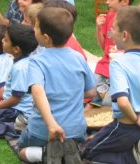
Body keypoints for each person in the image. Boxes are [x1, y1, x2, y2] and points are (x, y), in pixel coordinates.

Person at [82, 6, 140, 164]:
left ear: (124, 35)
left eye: (113, 28)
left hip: (127, 126)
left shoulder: (118, 63)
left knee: (88, 151)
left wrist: (137, 119)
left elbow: (122, 101)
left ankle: (132, 157)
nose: (110, 31)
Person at [17, 8, 96, 163]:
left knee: (21, 150)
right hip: (75, 130)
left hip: (44, 131)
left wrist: (52, 124)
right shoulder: (78, 57)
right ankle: (69, 151)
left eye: (36, 27)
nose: (34, 29)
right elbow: (91, 92)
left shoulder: (37, 61)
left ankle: (45, 155)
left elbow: (37, 91)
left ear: (46, 38)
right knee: (73, 140)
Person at [91, 0, 138, 107]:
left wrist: (121, 52)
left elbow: (139, 51)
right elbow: (103, 47)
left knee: (107, 103)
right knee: (86, 92)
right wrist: (99, 29)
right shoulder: (110, 16)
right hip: (104, 67)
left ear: (124, 1)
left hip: (121, 69)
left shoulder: (134, 22)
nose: (107, 2)